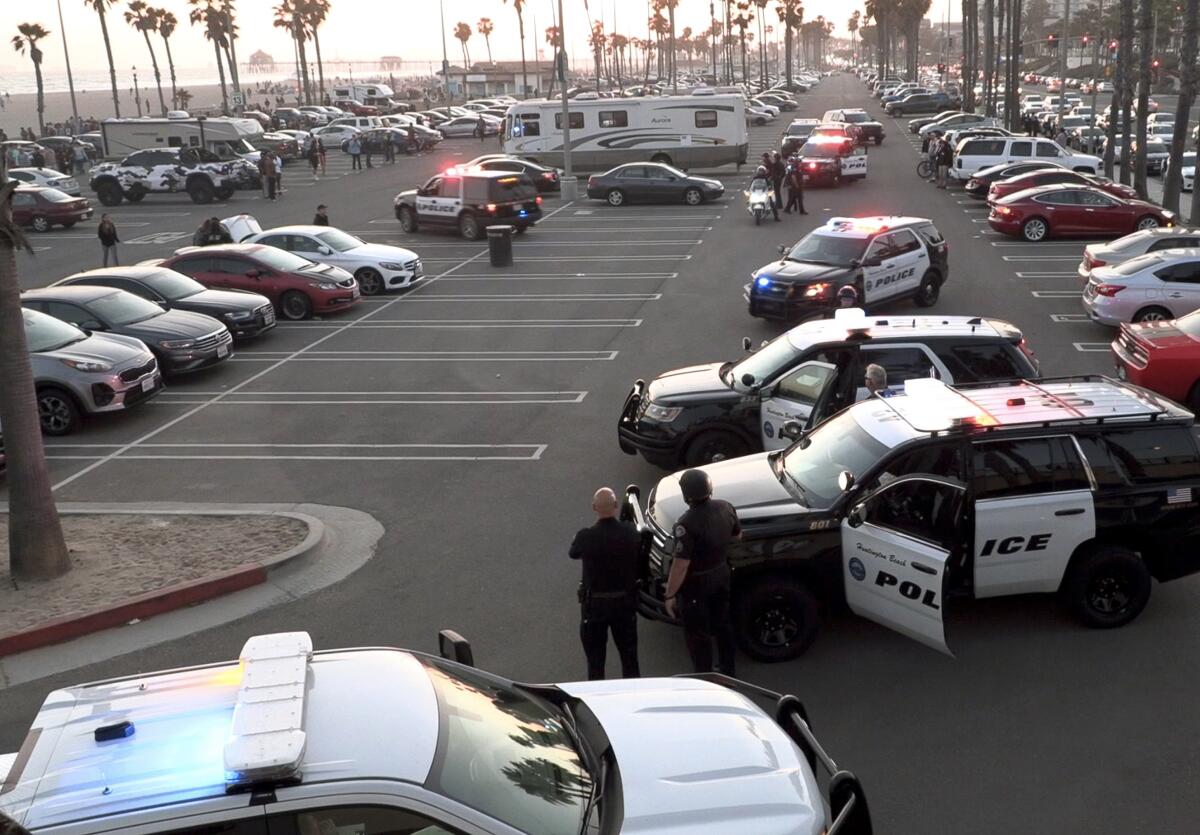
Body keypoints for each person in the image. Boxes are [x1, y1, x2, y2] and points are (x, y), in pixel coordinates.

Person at [664, 469, 740, 676]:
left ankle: (704, 676)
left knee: (698, 634)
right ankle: (728, 670)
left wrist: (670, 594)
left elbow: (680, 565)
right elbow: (737, 536)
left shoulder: (685, 524)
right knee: (723, 624)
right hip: (721, 574)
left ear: (686, 494)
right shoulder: (726, 507)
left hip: (696, 586)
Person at [569, 487, 642, 680]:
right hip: (624, 605)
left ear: (594, 508)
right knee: (629, 657)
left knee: (595, 661)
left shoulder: (586, 536)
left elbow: (573, 552)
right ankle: (633, 696)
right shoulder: (629, 532)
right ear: (616, 506)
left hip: (595, 607)